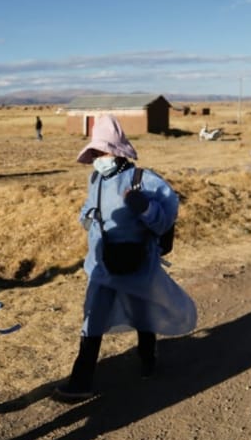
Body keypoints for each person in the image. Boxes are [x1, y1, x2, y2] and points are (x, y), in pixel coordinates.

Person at [54, 115, 197, 402]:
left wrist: (144, 208)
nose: (98, 158)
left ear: (118, 152)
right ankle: (81, 382)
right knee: (91, 319)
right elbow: (87, 210)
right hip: (101, 266)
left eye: (102, 152)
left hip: (137, 264)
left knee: (142, 312)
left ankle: (148, 361)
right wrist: (88, 217)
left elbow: (164, 222)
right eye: (95, 153)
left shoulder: (145, 181)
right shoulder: (95, 178)